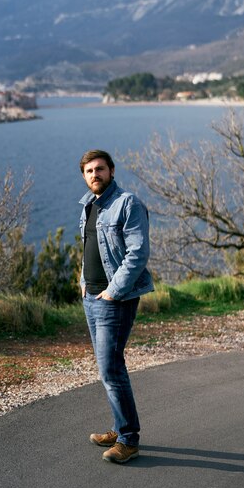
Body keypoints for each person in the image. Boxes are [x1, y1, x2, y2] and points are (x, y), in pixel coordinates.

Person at [79, 149, 153, 464]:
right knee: (108, 367)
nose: (94, 174)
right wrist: (84, 281)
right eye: (89, 171)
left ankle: (129, 440)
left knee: (111, 368)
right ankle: (118, 427)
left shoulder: (128, 204)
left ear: (111, 170)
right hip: (91, 298)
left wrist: (113, 291)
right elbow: (87, 245)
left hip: (115, 299)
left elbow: (137, 252)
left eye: (99, 169)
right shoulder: (88, 205)